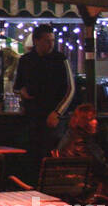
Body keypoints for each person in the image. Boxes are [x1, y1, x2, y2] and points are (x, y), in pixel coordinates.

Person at [13, 24, 74, 178]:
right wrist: (22, 92)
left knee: (50, 155)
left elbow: (71, 89)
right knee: (31, 157)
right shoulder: (26, 60)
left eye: (52, 40)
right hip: (32, 117)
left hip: (53, 117)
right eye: (47, 41)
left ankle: (49, 184)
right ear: (36, 41)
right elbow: (17, 87)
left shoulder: (60, 59)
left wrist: (57, 113)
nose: (51, 44)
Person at [58, 103, 108, 198]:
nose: (96, 122)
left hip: (76, 185)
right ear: (83, 121)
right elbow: (100, 169)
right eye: (91, 119)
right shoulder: (82, 142)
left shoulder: (71, 136)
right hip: (87, 187)